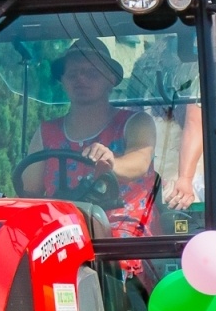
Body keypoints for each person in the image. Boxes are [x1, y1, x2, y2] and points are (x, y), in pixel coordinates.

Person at [21, 39, 157, 235]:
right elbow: (30, 191)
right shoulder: (46, 133)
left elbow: (140, 161)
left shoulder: (137, 122)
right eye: (73, 74)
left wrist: (112, 164)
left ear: (110, 79)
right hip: (63, 236)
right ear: (63, 80)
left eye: (91, 73)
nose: (81, 79)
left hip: (126, 240)